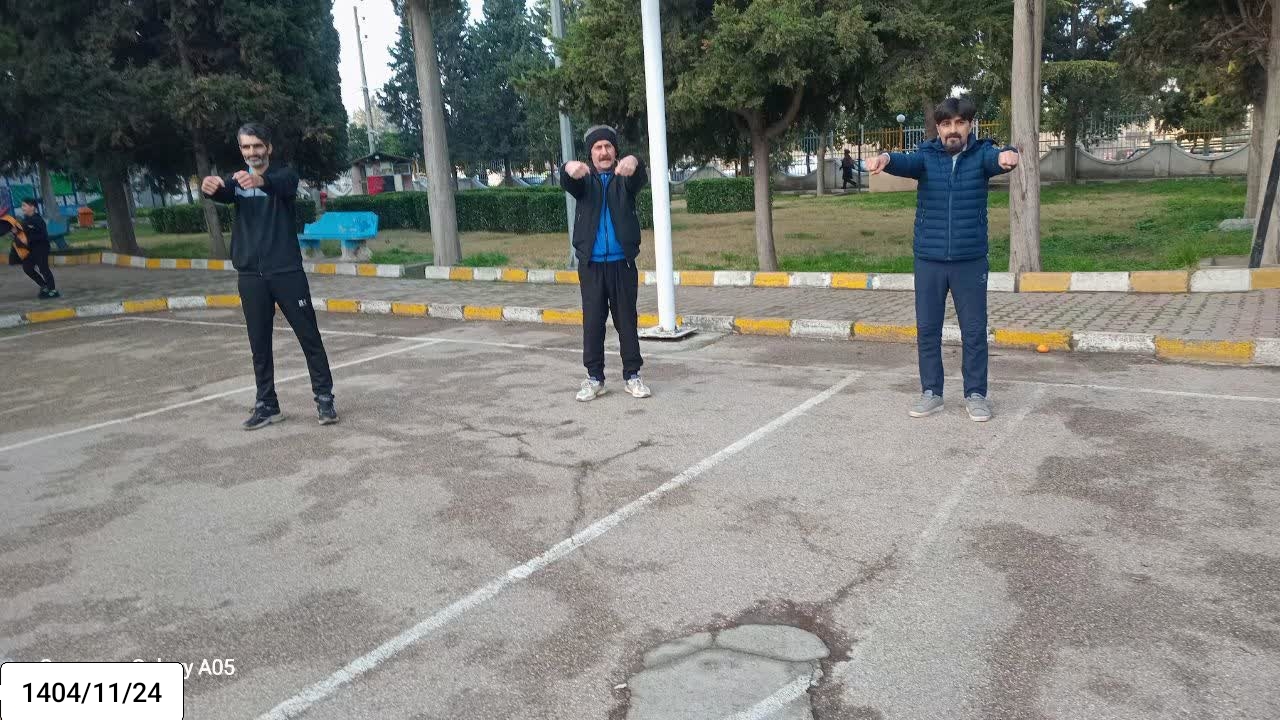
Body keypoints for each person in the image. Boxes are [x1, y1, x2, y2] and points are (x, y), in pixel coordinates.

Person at [863, 97, 1019, 422]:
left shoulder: (981, 155)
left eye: (960, 123)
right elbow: (903, 162)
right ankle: (931, 392)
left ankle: (975, 394)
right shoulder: (927, 156)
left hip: (970, 261)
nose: (953, 130)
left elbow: (999, 157)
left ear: (970, 125)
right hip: (929, 260)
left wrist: (1009, 154)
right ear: (938, 127)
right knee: (927, 330)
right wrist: (884, 158)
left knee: (973, 332)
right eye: (946, 124)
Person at [201, 122, 338, 430]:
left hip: (286, 271)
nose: (252, 152)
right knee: (259, 345)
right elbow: (223, 190)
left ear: (269, 148)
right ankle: (267, 405)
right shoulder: (237, 181)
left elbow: (280, 184)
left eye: (257, 146)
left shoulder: (284, 176)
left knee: (309, 338)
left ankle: (324, 399)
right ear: (241, 150)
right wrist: (210, 186)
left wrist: (258, 180)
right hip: (251, 275)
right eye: (246, 147)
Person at [560, 125, 652, 402]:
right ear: (591, 154)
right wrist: (567, 167)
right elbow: (567, 180)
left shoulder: (624, 178)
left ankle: (632, 376)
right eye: (598, 148)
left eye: (608, 147)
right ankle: (594, 378)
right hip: (591, 266)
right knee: (593, 324)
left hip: (622, 264)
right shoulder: (584, 181)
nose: (603, 152)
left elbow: (640, 175)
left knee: (627, 322)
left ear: (615, 151)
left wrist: (635, 161)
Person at [2, 198, 59, 298]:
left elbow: (42, 236)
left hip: (41, 248)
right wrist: (15, 232)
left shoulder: (38, 220)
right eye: (22, 206)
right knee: (27, 268)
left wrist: (28, 240)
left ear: (32, 207)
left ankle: (53, 290)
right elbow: (22, 232)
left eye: (24, 205)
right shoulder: (25, 220)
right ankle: (44, 286)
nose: (22, 208)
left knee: (43, 268)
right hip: (31, 249)